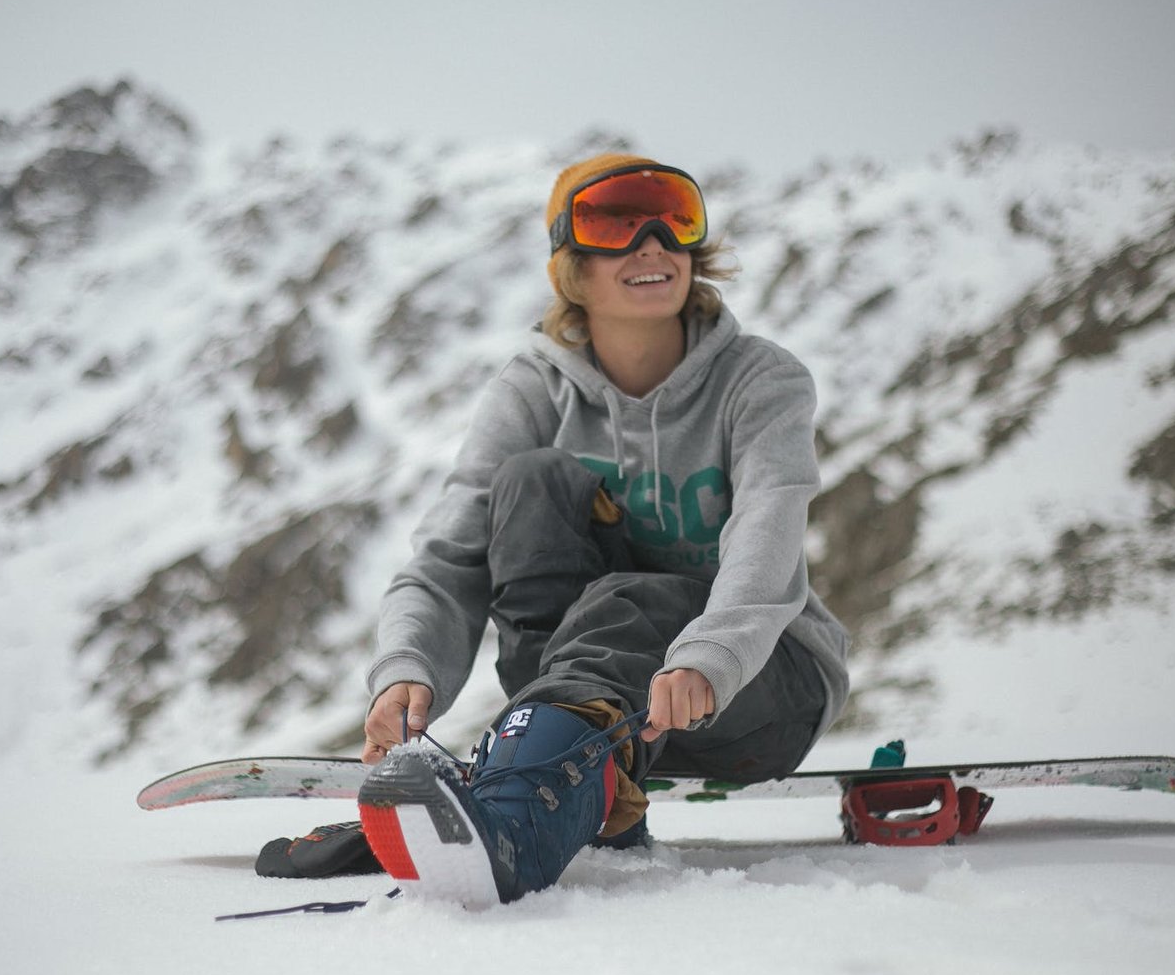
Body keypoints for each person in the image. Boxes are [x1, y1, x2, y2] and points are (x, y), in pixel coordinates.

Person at [344, 153, 849, 905]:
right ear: (571, 266)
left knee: (637, 596)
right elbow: (449, 553)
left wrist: (708, 657)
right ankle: (563, 770)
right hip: (606, 708)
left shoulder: (761, 380)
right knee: (530, 482)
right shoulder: (535, 387)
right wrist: (407, 668)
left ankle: (518, 828)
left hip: (755, 686)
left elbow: (768, 534)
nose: (651, 244)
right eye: (614, 223)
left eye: (673, 219)